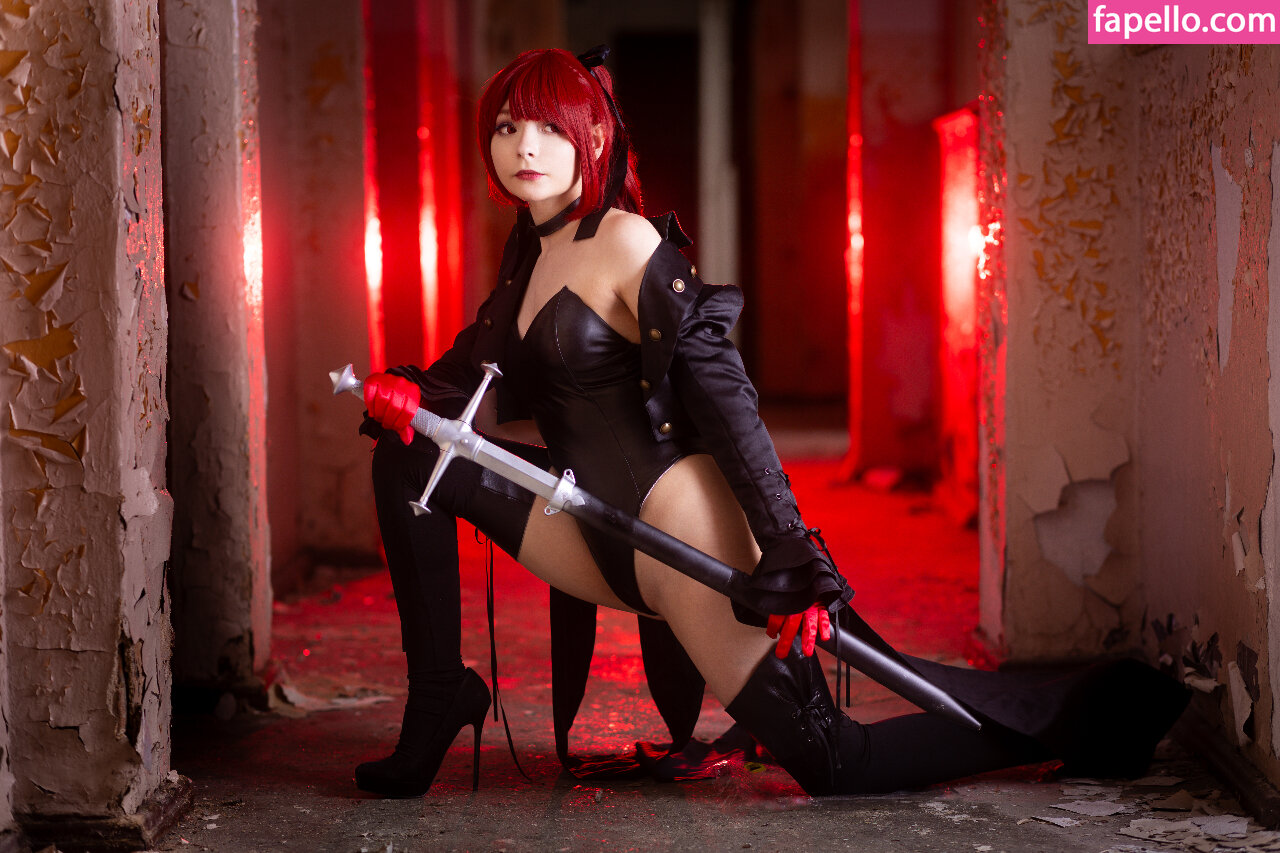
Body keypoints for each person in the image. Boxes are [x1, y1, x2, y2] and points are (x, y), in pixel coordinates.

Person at [352, 47, 1188, 799]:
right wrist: (404, 390)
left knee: (835, 761)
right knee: (411, 453)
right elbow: (464, 372)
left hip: (680, 529)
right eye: (506, 127)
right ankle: (440, 696)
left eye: (546, 127)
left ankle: (1074, 723)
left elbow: (724, 393)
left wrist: (789, 546)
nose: (523, 147)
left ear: (593, 138)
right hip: (582, 523)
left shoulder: (626, 242)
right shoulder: (529, 255)